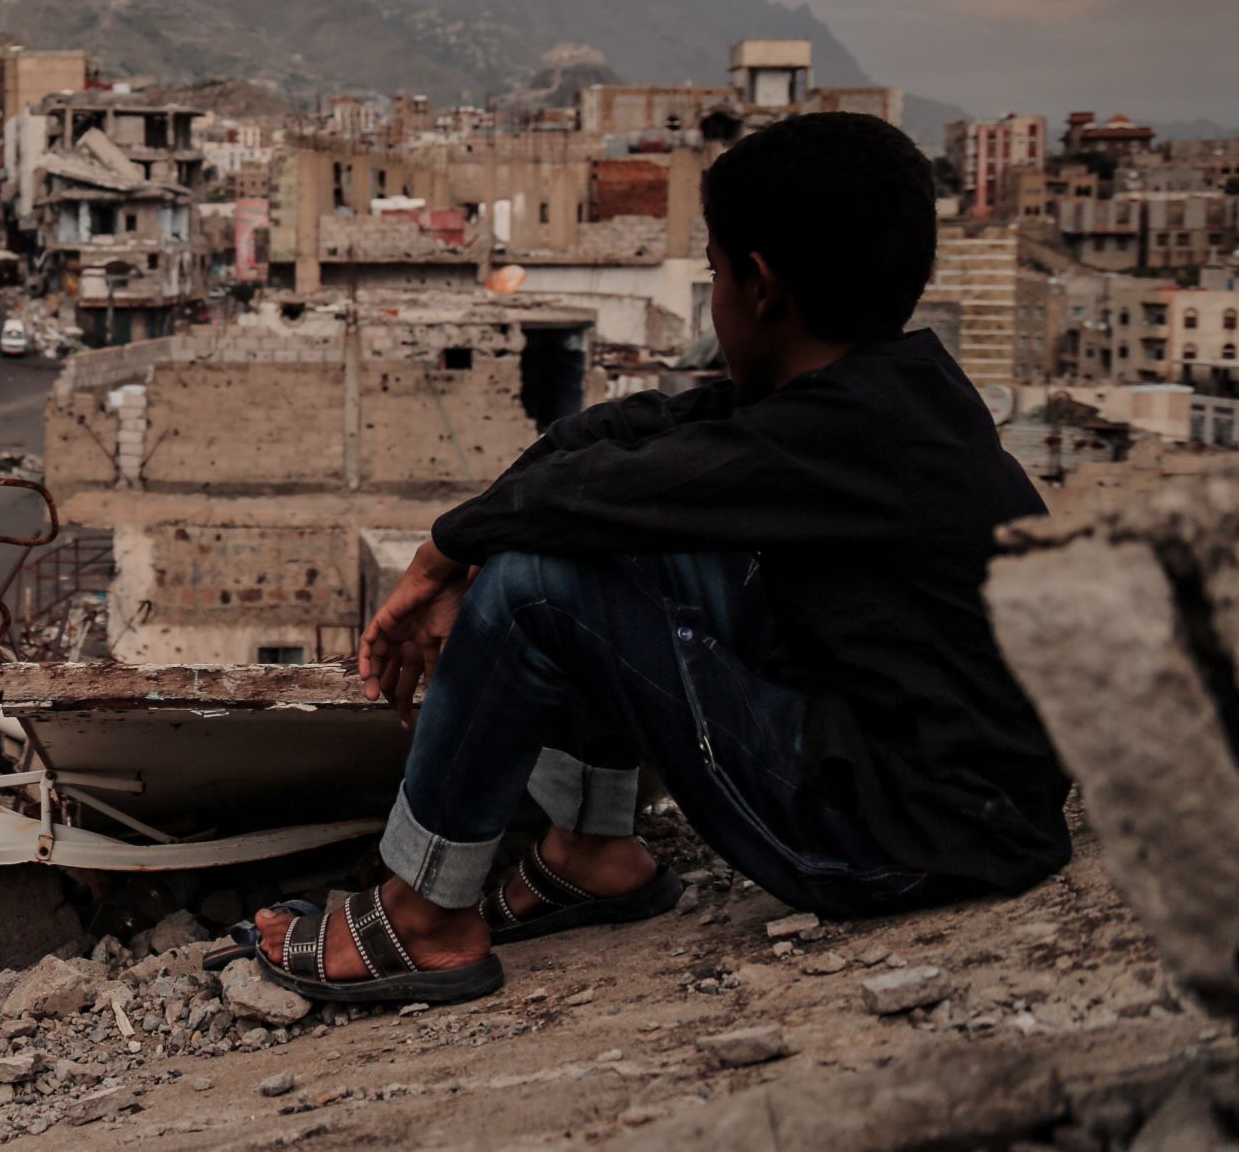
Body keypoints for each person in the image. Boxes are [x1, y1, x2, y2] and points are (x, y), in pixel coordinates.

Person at [249, 111, 1070, 1006]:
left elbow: (606, 488)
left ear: (757, 286)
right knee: (583, 538)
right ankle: (593, 852)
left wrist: (452, 551)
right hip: (934, 802)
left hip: (897, 845)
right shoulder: (877, 397)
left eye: (714, 270)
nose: (713, 292)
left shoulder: (843, 435)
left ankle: (421, 920)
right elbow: (619, 439)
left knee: (532, 589)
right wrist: (458, 543)